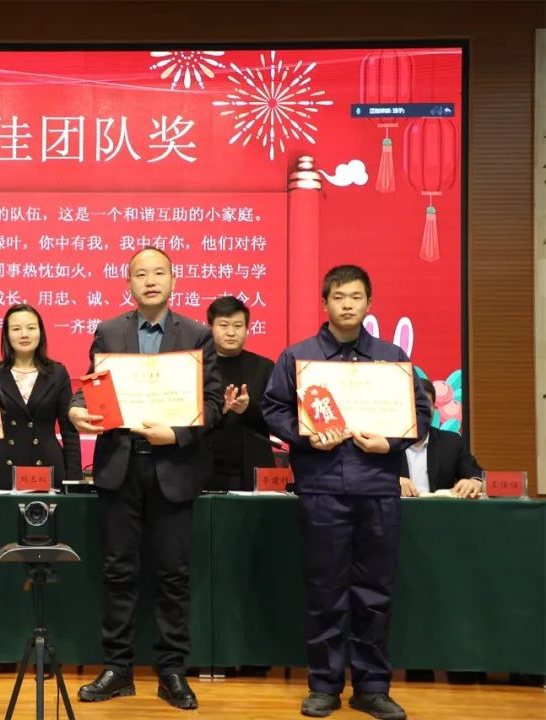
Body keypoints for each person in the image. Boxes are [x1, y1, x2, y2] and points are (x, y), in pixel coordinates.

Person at [261, 265, 431, 720]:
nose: (348, 305)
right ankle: (324, 686)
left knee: (375, 592)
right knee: (326, 591)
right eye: (339, 297)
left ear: (369, 304)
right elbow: (273, 408)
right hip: (322, 489)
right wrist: (306, 435)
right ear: (325, 303)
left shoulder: (391, 358)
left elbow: (419, 411)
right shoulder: (299, 357)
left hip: (377, 489)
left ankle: (372, 687)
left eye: (356, 297)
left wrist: (390, 443)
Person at [68, 247, 223, 711]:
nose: (150, 281)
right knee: (118, 571)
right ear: (128, 283)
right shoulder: (109, 331)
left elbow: (213, 403)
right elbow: (90, 387)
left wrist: (177, 433)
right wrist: (76, 409)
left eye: (159, 273)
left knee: (173, 574)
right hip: (121, 466)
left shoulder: (196, 334)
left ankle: (172, 670)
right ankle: (117, 668)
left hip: (173, 465)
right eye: (141, 274)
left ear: (174, 280)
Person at [0, 304, 82, 491]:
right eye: (16, 329)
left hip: (47, 467)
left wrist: (74, 480)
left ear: (40, 332)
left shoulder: (57, 373)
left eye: (31, 328)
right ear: (6, 334)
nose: (24, 334)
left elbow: (69, 431)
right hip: (2, 468)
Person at [202, 296, 276, 492]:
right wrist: (218, 410)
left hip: (254, 470)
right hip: (205, 469)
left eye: (238, 326)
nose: (231, 332)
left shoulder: (264, 367)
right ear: (210, 328)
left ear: (247, 329)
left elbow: (279, 419)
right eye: (223, 325)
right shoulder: (198, 367)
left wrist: (248, 408)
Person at [399, 381, 483, 498]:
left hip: (439, 509)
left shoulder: (452, 443)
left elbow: (477, 476)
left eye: (425, 404)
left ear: (434, 408)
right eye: (413, 404)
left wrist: (474, 483)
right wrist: (392, 482)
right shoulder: (383, 444)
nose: (419, 411)